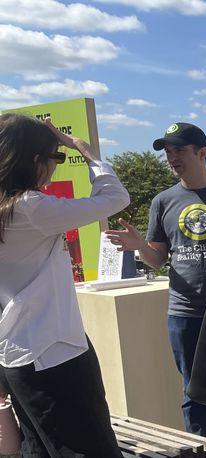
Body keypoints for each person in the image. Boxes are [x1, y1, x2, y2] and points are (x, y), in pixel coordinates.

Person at [105, 122, 206, 457]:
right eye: (168, 152)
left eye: (179, 150)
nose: (171, 157)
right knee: (193, 393)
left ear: (202, 153)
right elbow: (156, 260)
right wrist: (138, 246)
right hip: (185, 312)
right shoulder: (162, 202)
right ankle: (200, 452)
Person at [0, 113, 129, 455]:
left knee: (39, 446)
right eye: (54, 158)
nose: (56, 166)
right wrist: (87, 154)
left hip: (16, 353)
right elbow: (116, 199)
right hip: (53, 351)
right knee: (89, 448)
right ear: (34, 160)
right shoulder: (30, 208)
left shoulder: (8, 209)